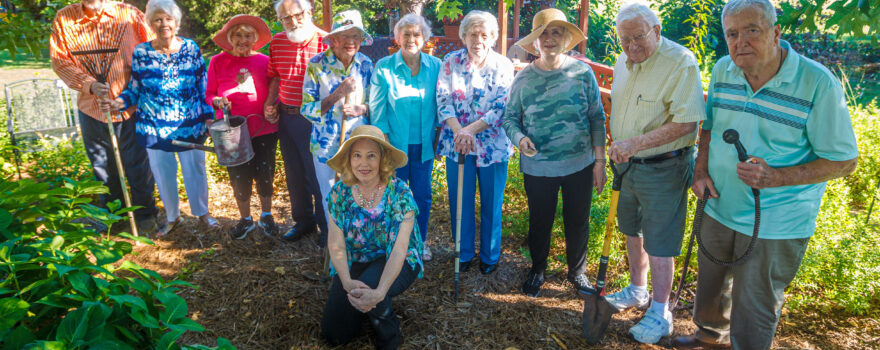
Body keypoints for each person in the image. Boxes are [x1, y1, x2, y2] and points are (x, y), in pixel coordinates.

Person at [673, 0, 858, 349]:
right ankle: (709, 339)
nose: (740, 41)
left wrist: (778, 177)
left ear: (775, 33)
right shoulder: (724, 70)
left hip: (777, 220)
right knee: (710, 286)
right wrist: (699, 171)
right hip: (718, 204)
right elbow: (709, 129)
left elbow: (844, 161)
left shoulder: (818, 83)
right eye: (732, 33)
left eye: (752, 31)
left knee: (754, 303)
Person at [601, 1, 707, 344]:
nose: (631, 46)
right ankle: (638, 289)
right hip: (627, 165)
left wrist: (634, 143)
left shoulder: (680, 62)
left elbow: (687, 122)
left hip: (664, 166)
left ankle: (661, 311)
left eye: (638, 38)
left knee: (660, 241)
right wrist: (622, 147)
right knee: (632, 229)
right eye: (624, 39)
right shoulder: (623, 61)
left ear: (657, 31)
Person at [501, 8, 607, 297]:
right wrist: (520, 139)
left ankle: (578, 273)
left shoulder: (582, 73)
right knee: (540, 221)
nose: (549, 39)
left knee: (578, 220)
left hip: (580, 164)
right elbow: (509, 119)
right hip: (539, 167)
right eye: (543, 33)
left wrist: (600, 161)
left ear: (565, 38)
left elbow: (597, 117)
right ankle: (537, 271)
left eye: (556, 32)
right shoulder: (523, 79)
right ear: (535, 42)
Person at [109, 0, 218, 235]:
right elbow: (135, 88)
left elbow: (203, 85)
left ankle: (202, 214)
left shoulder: (191, 48)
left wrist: (209, 117)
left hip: (190, 125)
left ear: (176, 22)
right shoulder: (141, 52)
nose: (163, 24)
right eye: (157, 19)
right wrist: (120, 102)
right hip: (154, 127)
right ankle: (172, 217)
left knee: (195, 171)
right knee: (162, 173)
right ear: (150, 23)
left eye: (168, 18)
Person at [50, 0, 159, 233]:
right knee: (102, 165)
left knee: (137, 164)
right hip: (92, 107)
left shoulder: (129, 15)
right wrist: (88, 84)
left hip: (131, 106)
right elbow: (60, 60)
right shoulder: (64, 19)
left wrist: (135, 89)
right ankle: (112, 217)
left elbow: (153, 49)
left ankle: (145, 214)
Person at [320, 125, 424, 349]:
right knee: (334, 335)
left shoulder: (400, 194)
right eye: (357, 155)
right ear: (349, 159)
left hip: (399, 259)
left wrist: (379, 293)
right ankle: (362, 309)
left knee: (369, 287)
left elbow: (399, 249)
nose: (363, 163)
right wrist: (346, 282)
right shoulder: (339, 193)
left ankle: (389, 335)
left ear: (382, 160)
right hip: (356, 260)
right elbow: (335, 244)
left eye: (371, 156)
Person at [436, 10, 514, 275]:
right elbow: (443, 100)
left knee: (492, 202)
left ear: (492, 37)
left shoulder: (503, 65)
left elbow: (502, 106)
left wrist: (470, 130)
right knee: (460, 201)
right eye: (472, 34)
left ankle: (490, 256)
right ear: (463, 36)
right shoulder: (450, 61)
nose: (477, 40)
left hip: (492, 145)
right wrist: (461, 132)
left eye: (483, 34)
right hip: (457, 143)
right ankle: (464, 251)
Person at [369, 13, 441, 261]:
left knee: (422, 195)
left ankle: (419, 242)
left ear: (425, 38)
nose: (411, 38)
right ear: (397, 37)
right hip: (393, 147)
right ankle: (394, 244)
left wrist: (439, 137)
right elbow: (377, 111)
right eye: (406, 34)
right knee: (392, 196)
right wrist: (385, 146)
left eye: (417, 34)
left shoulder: (436, 67)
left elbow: (442, 105)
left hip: (423, 146)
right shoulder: (384, 67)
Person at [206, 14, 280, 239]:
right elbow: (209, 93)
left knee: (265, 171)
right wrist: (217, 101)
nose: (242, 40)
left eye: (248, 35)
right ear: (230, 38)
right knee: (239, 174)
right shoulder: (217, 61)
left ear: (254, 38)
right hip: (231, 130)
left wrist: (273, 107)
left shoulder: (264, 61)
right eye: (237, 35)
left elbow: (275, 88)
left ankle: (266, 215)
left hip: (263, 127)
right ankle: (245, 219)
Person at [301, 9, 373, 236]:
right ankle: (336, 246)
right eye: (345, 35)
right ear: (333, 39)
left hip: (358, 143)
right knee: (330, 194)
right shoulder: (316, 65)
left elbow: (375, 105)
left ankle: (357, 244)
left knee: (359, 192)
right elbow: (306, 109)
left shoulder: (366, 64)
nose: (351, 42)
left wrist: (362, 108)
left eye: (356, 36)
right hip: (326, 145)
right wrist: (337, 94)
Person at [266, 0, 329, 242]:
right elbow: (274, 76)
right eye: (286, 18)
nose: (293, 22)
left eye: (298, 14)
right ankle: (303, 222)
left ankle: (326, 227)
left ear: (309, 12)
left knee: (318, 175)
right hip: (287, 116)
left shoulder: (326, 41)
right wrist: (269, 104)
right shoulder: (277, 42)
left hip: (316, 120)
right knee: (294, 173)